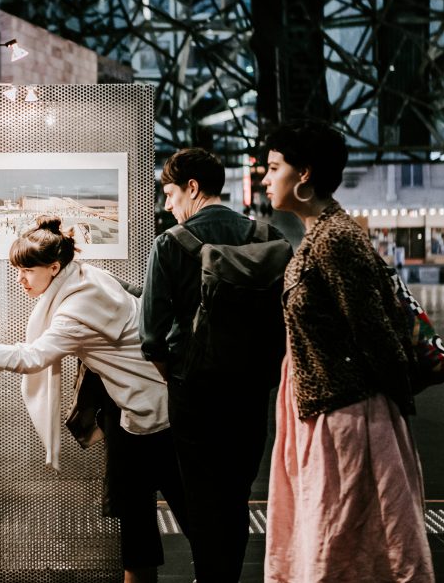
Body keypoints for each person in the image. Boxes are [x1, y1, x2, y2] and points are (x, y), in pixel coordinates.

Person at [0, 215, 188, 583]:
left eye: (27, 271)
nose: (20, 280)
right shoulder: (87, 277)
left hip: (148, 417)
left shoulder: (73, 312)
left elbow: (28, 358)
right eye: (15, 270)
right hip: (148, 408)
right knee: (147, 520)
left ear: (54, 267)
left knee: (156, 518)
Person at [261, 121, 434, 582]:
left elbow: (373, 330)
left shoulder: (336, 238)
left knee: (341, 541)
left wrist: (394, 412)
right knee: (332, 538)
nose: (264, 177)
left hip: (347, 418)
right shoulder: (319, 235)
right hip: (324, 409)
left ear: (304, 176)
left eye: (274, 167)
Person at [140, 147, 287, 582]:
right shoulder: (267, 236)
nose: (168, 205)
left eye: (169, 194)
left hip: (195, 391)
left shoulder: (170, 244)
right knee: (236, 493)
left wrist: (177, 374)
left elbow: (151, 334)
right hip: (252, 388)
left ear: (192, 188)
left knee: (202, 497)